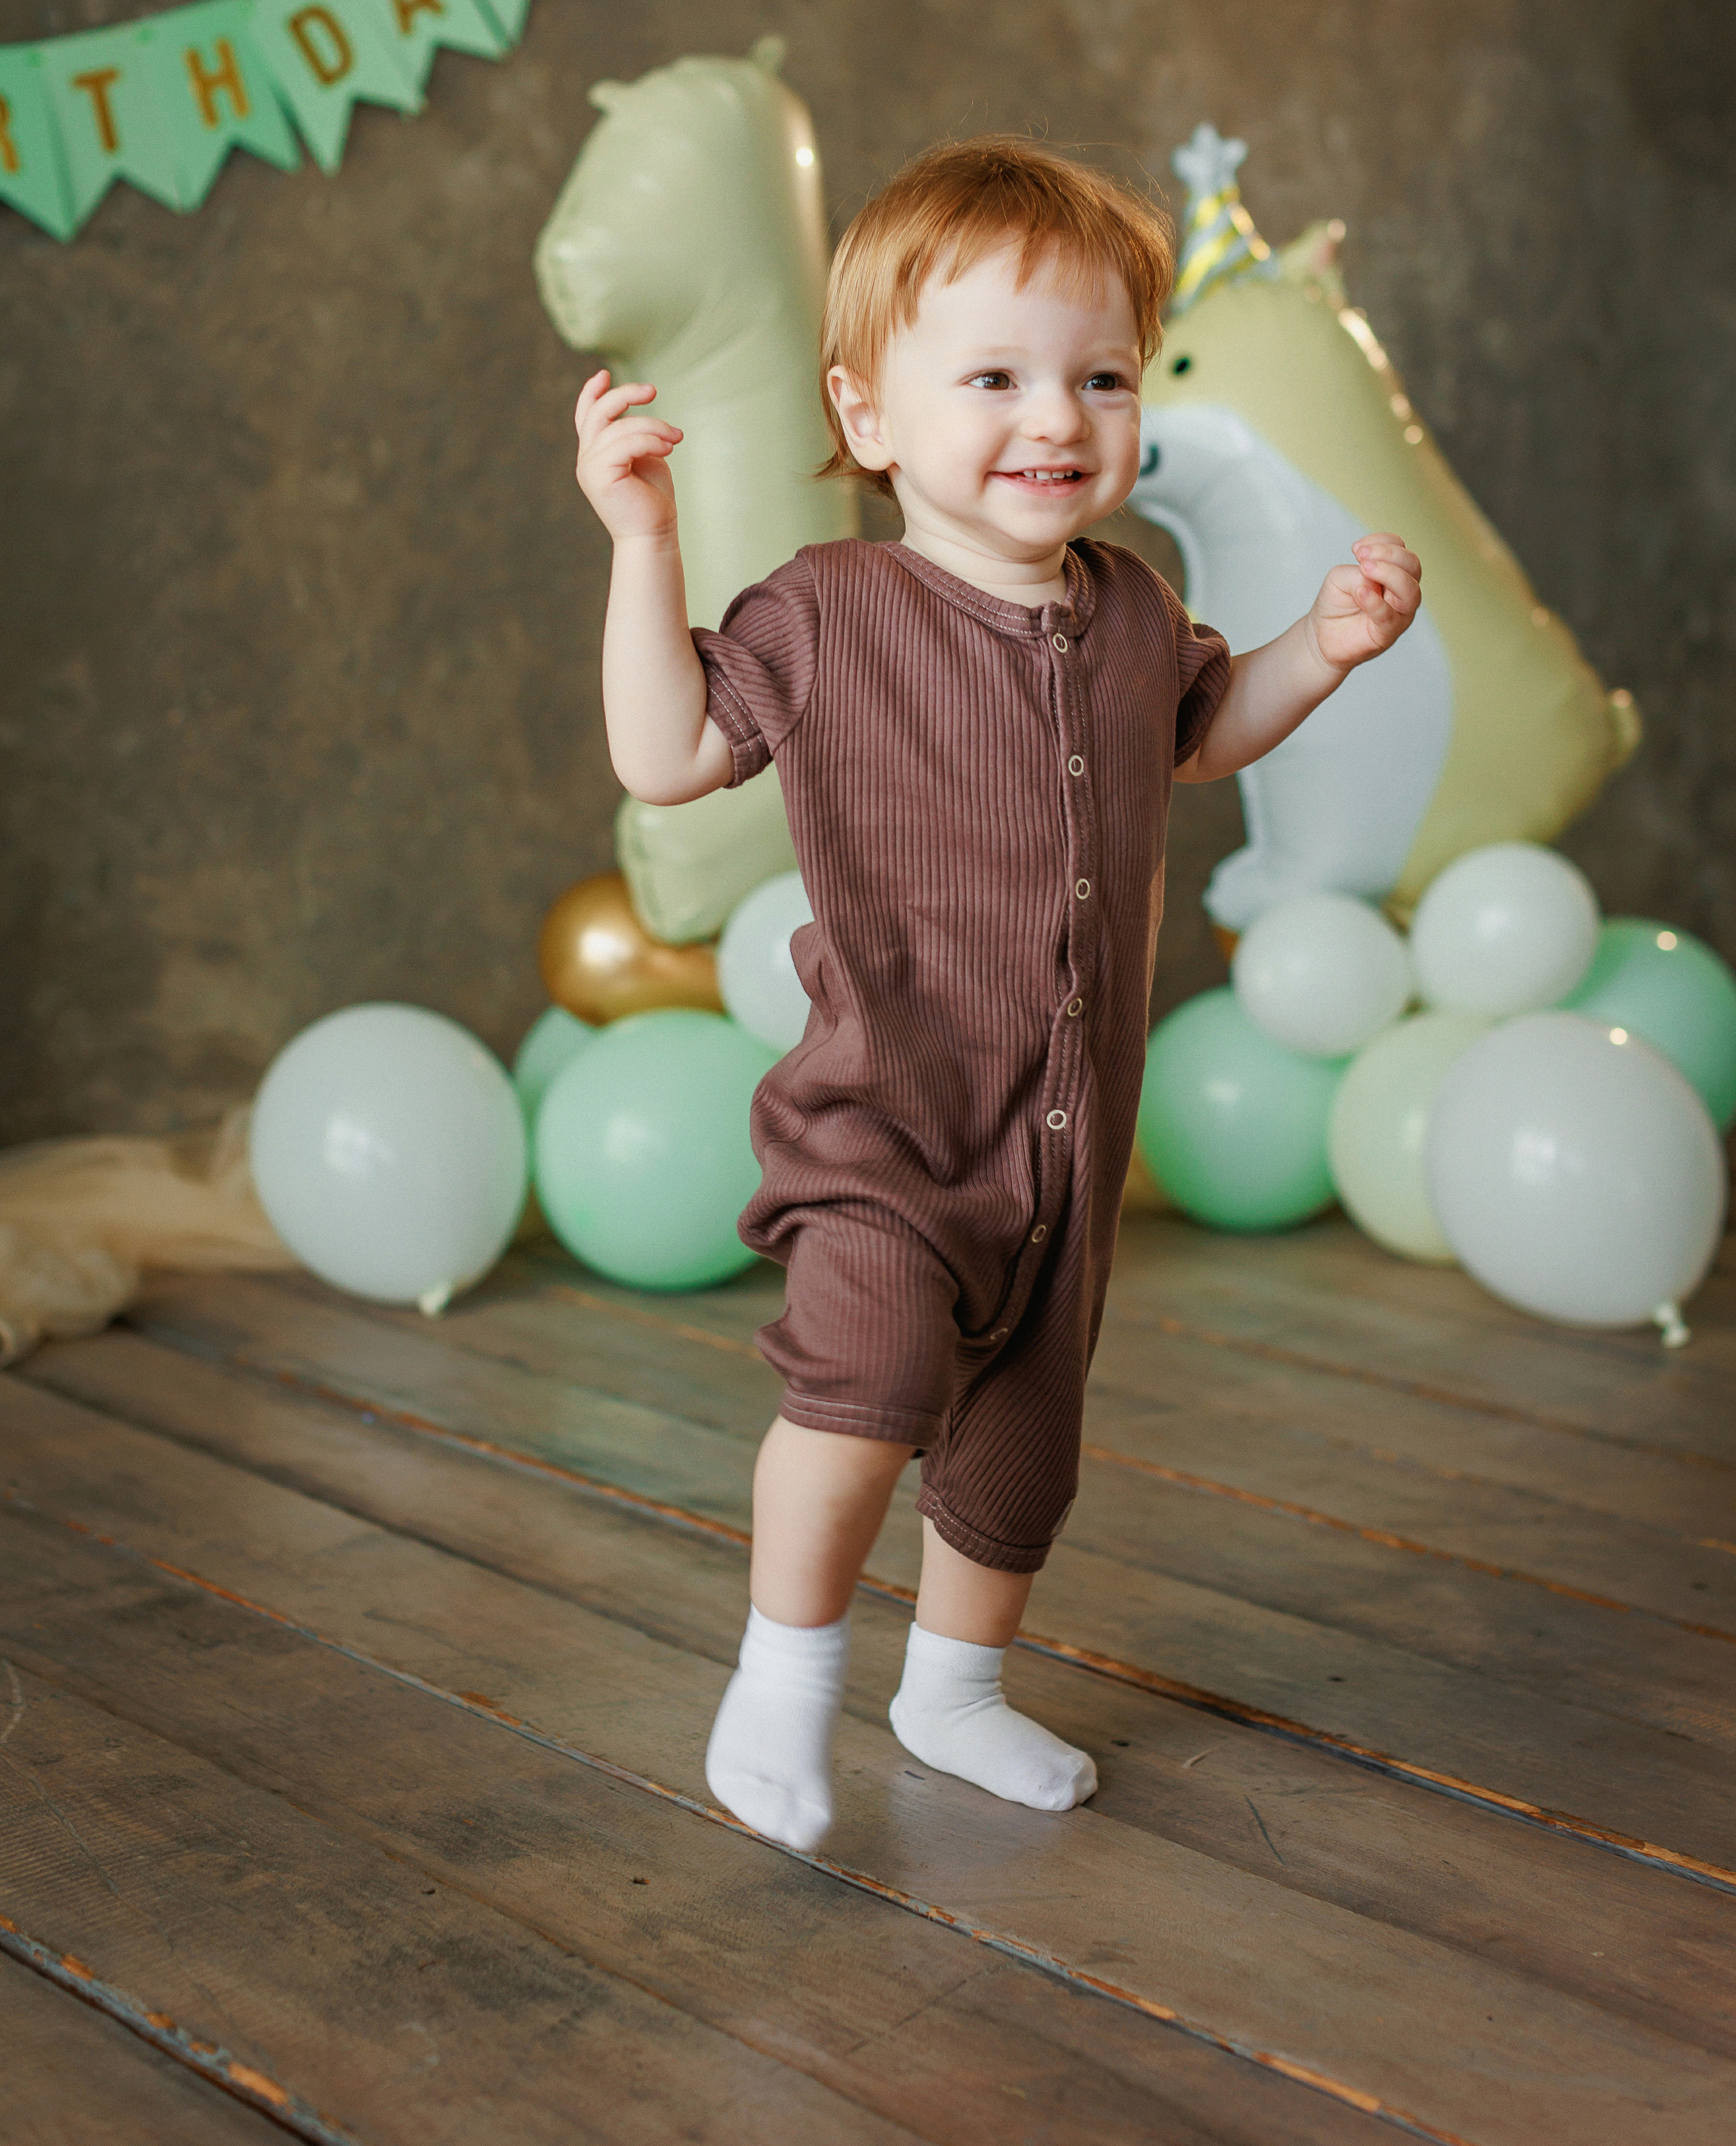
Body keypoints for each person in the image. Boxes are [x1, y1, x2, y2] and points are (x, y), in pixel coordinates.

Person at [574, 137, 1422, 1853]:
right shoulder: (828, 608)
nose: (1056, 416)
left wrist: (1316, 652)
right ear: (868, 414)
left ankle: (952, 1686)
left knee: (1022, 1445)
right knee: (864, 1381)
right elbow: (663, 752)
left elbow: (1201, 734)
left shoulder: (1127, 609)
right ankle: (782, 1674)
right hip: (889, 1116)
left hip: (1063, 1142)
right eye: (994, 377)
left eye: (1099, 375)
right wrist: (638, 539)